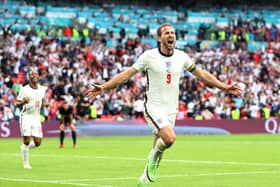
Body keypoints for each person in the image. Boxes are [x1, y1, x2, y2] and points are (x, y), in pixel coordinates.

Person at [85, 23, 242, 187]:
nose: (171, 35)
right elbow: (127, 74)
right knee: (170, 138)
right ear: (159, 38)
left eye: (173, 32)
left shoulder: (182, 57)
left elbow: (202, 75)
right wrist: (104, 86)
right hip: (154, 107)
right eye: (167, 33)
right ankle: (151, 162)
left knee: (159, 147)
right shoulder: (149, 56)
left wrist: (224, 87)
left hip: (171, 109)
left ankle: (143, 181)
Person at [16, 70, 49, 169]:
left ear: (38, 77)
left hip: (36, 117)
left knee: (38, 143)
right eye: (32, 74)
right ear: (29, 77)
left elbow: (43, 98)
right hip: (26, 116)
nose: (34, 75)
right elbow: (17, 104)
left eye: (36, 74)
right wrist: (23, 102)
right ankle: (26, 163)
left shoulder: (42, 89)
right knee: (26, 140)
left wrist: (45, 103)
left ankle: (24, 148)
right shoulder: (24, 89)